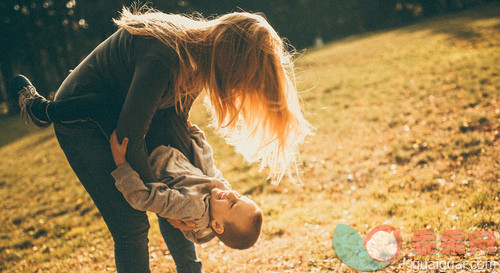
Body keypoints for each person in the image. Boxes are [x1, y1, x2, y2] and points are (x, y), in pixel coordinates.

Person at [10, 5, 312, 273]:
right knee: (132, 225)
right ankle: (43, 111)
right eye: (241, 79)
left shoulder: (201, 58)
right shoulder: (168, 54)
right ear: (230, 60)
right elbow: (129, 136)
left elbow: (176, 117)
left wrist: (180, 202)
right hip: (84, 117)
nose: (236, 89)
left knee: (179, 196)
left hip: (125, 115)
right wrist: (163, 205)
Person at [110, 125, 262, 249]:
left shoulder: (194, 208)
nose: (233, 195)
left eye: (233, 204)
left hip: (149, 156)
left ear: (216, 225)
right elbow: (207, 165)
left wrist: (121, 165)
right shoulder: (219, 197)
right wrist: (194, 132)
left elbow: (143, 199)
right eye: (240, 196)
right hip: (170, 151)